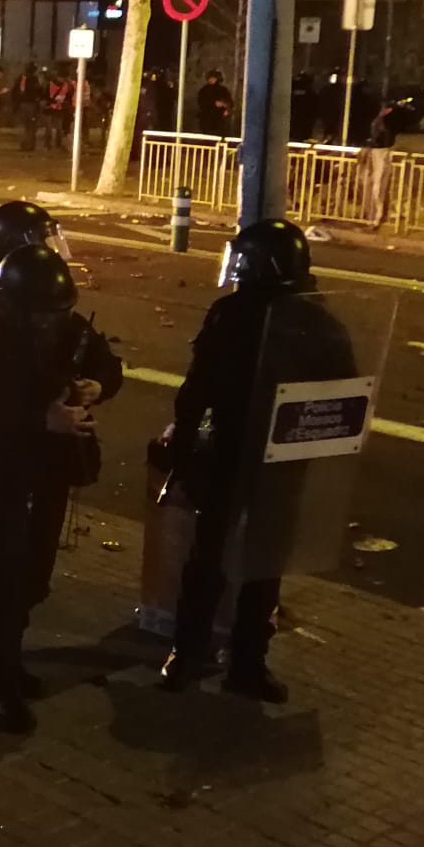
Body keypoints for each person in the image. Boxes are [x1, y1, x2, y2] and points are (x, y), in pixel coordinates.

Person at [160, 219, 351, 702]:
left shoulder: (301, 321)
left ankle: (222, 658)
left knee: (249, 563)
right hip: (241, 455)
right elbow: (199, 388)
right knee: (221, 560)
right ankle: (208, 655)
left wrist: (185, 440)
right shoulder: (285, 317)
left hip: (267, 458)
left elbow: (340, 394)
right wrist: (186, 440)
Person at [0, 244, 110, 732]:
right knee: (6, 573)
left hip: (52, 470)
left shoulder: (68, 327)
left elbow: (107, 365)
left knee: (34, 575)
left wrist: (97, 384)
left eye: (61, 313)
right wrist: (39, 419)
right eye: (43, 315)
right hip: (3, 471)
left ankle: (1, 657)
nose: (54, 323)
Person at [357, 102, 398, 227]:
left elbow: (381, 137)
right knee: (373, 185)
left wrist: (371, 144)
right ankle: (373, 214)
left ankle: (376, 216)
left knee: (377, 187)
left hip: (380, 152)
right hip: (377, 152)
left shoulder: (383, 122)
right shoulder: (380, 121)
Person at [195, 70, 234, 135]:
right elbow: (201, 103)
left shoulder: (223, 90)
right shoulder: (204, 90)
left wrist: (227, 109)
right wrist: (213, 103)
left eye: (213, 78)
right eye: (210, 78)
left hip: (219, 119)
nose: (211, 80)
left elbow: (230, 103)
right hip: (206, 119)